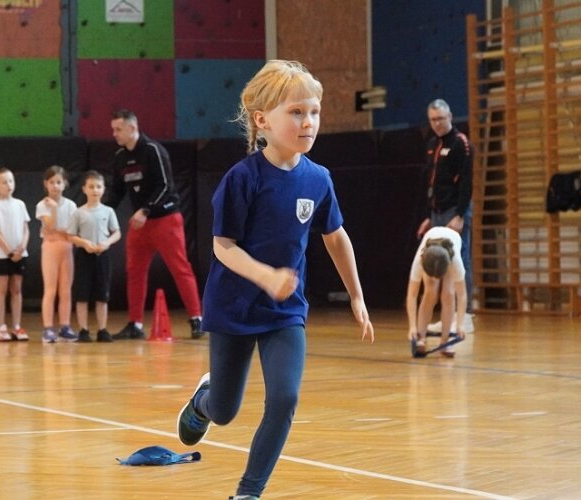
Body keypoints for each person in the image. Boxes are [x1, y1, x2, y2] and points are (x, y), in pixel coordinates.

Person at [175, 60, 374, 500]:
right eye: (297, 112)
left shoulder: (318, 179)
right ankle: (203, 402)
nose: (309, 122)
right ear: (263, 121)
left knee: (284, 400)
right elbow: (221, 246)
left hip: (285, 313)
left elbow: (335, 237)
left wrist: (357, 296)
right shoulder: (242, 179)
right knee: (225, 411)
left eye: (315, 112)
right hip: (232, 308)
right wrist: (265, 275)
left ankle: (248, 492)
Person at [107, 109, 204, 340]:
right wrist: (98, 211)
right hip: (141, 225)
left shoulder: (153, 151)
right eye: (113, 130)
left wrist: (145, 209)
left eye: (118, 129)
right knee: (135, 271)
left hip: (165, 220)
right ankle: (135, 324)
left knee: (180, 269)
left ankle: (197, 319)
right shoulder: (120, 157)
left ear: (132, 128)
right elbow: (116, 192)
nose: (114, 134)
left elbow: (165, 187)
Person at [417, 99, 475, 334]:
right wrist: (428, 215)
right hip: (436, 213)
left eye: (441, 118)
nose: (438, 124)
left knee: (460, 262)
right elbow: (430, 182)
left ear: (450, 116)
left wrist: (460, 214)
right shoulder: (432, 144)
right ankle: (446, 316)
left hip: (454, 212)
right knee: (438, 263)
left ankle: (466, 314)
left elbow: (466, 183)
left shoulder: (461, 143)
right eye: (433, 120)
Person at [67, 170, 121, 342]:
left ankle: (102, 329)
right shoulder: (78, 212)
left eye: (98, 186)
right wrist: (84, 243)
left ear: (103, 189)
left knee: (102, 295)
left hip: (102, 255)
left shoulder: (108, 211)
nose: (95, 190)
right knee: (82, 294)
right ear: (84, 189)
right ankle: (83, 329)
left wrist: (107, 243)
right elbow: (70, 235)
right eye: (91, 187)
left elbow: (117, 232)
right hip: (84, 255)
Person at [406, 226, 467, 358]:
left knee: (449, 293)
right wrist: (412, 326)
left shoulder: (455, 261)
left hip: (450, 248)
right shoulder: (419, 260)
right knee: (430, 292)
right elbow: (412, 295)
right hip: (432, 249)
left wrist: (460, 324)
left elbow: (461, 295)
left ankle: (445, 341)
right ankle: (421, 337)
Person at [0, 167, 30, 342]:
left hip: (20, 253)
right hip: (3, 255)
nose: (8, 185)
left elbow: (26, 229)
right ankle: (1, 326)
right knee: (2, 288)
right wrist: (9, 251)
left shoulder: (20, 204)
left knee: (17, 289)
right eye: (4, 182)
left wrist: (22, 248)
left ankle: (17, 326)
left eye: (11, 181)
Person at [36, 166, 79, 343]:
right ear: (45, 184)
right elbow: (50, 227)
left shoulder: (71, 205)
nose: (55, 186)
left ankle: (65, 326)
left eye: (59, 182)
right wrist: (53, 210)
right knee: (51, 289)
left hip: (67, 248)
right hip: (50, 248)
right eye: (52, 182)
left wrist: (61, 232)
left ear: (65, 184)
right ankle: (48, 328)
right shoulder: (42, 205)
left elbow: (71, 230)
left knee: (66, 290)